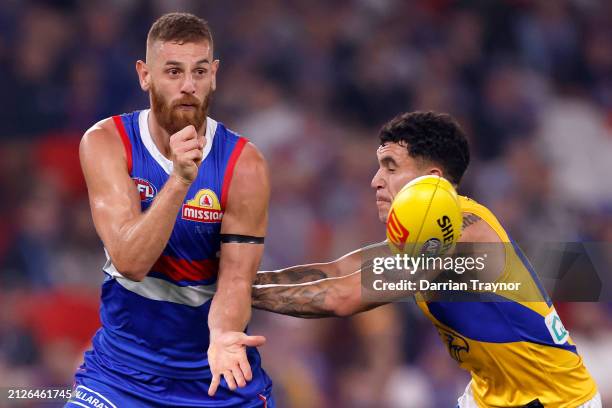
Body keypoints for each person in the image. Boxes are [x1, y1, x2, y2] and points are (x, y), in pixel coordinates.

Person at [252, 111, 601, 408]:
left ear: (432, 181)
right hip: (490, 394)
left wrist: (235, 291)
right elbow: (340, 269)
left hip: (554, 400)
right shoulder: (434, 232)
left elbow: (342, 297)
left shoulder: (459, 235)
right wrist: (241, 277)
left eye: (390, 168)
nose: (375, 181)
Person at [66, 12, 274, 407]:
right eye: (173, 72)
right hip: (119, 375)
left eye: (199, 72)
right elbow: (130, 260)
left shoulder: (244, 164)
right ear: (145, 75)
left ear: (214, 74)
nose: (188, 86)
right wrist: (179, 179)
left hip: (215, 376)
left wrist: (224, 336)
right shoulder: (107, 142)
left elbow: (235, 278)